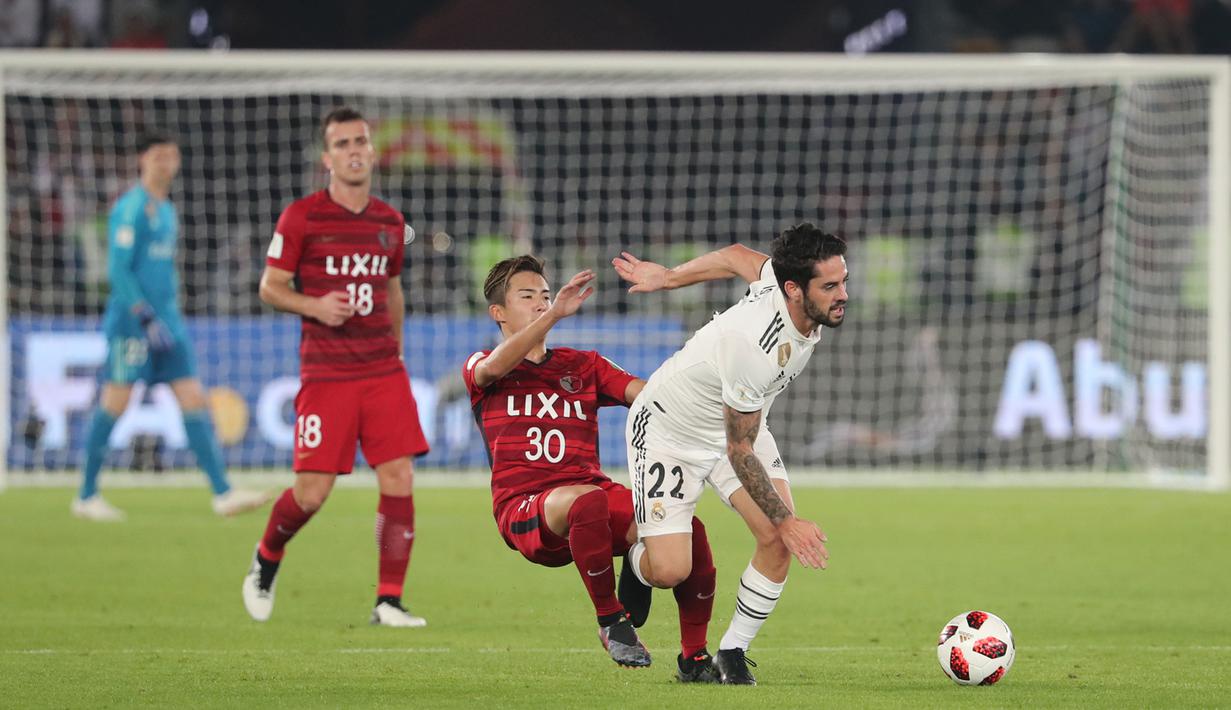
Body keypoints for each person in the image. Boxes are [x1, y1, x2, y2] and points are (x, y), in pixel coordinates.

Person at [462, 255, 719, 680]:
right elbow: (492, 369)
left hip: (590, 496)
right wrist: (555, 316)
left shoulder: (584, 366)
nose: (542, 303)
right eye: (528, 297)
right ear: (499, 313)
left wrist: (705, 380)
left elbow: (647, 395)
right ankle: (611, 621)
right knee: (588, 501)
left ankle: (693, 657)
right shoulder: (482, 365)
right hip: (525, 508)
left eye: (546, 296)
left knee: (685, 528)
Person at [612, 223, 841, 685]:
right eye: (830, 286)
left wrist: (669, 277)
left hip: (736, 422)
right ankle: (636, 554)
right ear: (794, 290)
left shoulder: (784, 286)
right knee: (670, 571)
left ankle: (732, 651)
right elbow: (739, 450)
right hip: (667, 432)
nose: (843, 295)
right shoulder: (755, 346)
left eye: (844, 281)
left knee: (776, 541)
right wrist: (787, 520)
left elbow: (736, 255)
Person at [241, 107, 430, 627]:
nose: (353, 150)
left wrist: (398, 350)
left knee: (399, 475)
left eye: (360, 141)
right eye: (342, 143)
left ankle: (388, 600)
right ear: (328, 158)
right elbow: (270, 286)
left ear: (371, 152)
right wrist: (316, 306)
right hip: (326, 374)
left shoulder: (390, 222)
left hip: (382, 369)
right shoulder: (301, 217)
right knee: (312, 493)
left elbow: (392, 290)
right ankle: (266, 559)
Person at [72, 131, 270, 522]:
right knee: (116, 401)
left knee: (194, 398)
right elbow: (118, 270)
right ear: (142, 160)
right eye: (159, 156)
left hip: (169, 325)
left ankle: (222, 493)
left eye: (172, 157)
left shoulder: (167, 210)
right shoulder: (130, 209)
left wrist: (167, 314)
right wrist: (143, 314)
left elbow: (162, 272)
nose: (166, 163)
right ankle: (86, 494)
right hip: (133, 324)